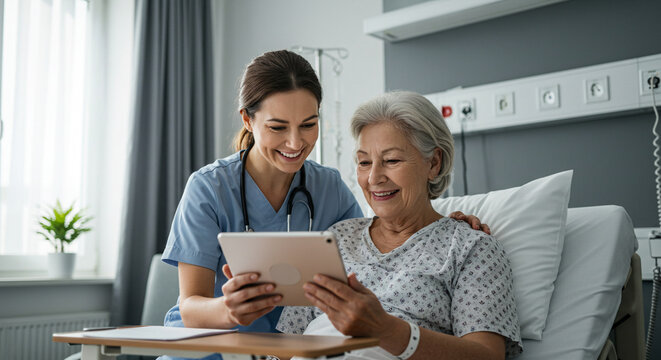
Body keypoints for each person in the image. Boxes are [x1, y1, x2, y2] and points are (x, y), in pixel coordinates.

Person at [160, 50, 487, 359]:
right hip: (203, 343)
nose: (295, 142)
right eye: (277, 127)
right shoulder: (210, 187)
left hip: (282, 347)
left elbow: (377, 243)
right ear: (247, 119)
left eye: (308, 124)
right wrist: (228, 309)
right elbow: (190, 306)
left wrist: (445, 224)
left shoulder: (327, 187)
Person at [277, 91, 522, 359]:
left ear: (434, 163)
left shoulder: (470, 248)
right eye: (364, 162)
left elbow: (487, 355)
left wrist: (386, 331)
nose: (374, 177)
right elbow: (285, 345)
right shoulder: (336, 238)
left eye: (392, 160)